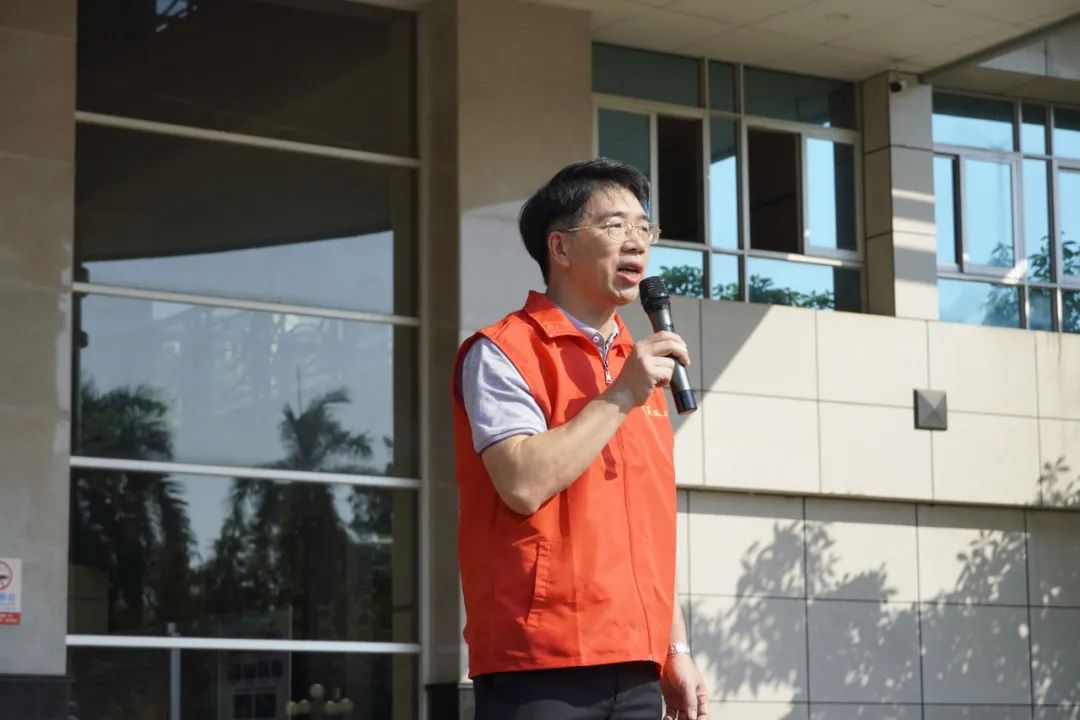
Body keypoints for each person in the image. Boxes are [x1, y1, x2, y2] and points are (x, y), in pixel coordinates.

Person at [451, 158, 709, 720]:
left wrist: (675, 649)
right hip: (541, 663)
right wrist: (621, 394)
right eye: (615, 226)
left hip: (637, 661)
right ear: (560, 247)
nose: (636, 241)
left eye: (644, 228)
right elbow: (522, 482)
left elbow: (647, 528)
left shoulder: (637, 362)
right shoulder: (503, 350)